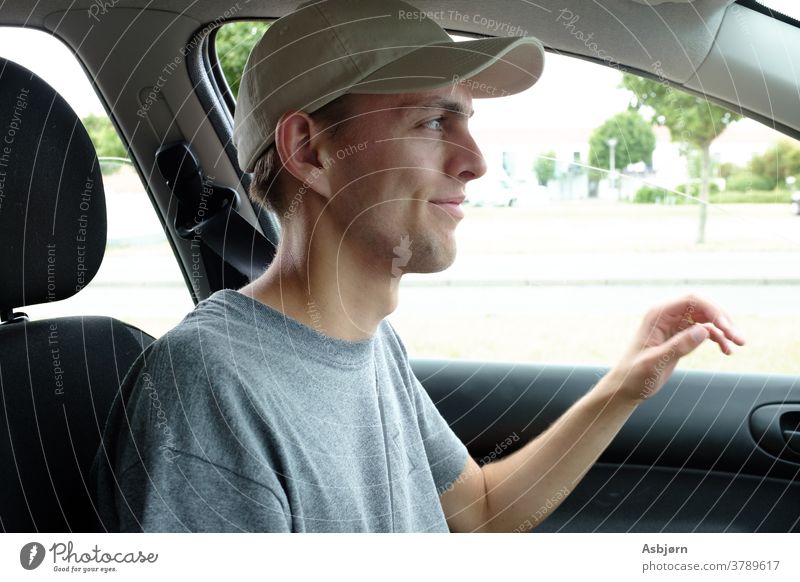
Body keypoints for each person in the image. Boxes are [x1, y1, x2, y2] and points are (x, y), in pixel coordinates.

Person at [92, 0, 745, 533]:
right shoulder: (208, 391)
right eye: (435, 121)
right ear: (310, 151)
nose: (477, 162)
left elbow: (480, 513)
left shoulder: (369, 345)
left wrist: (626, 384)